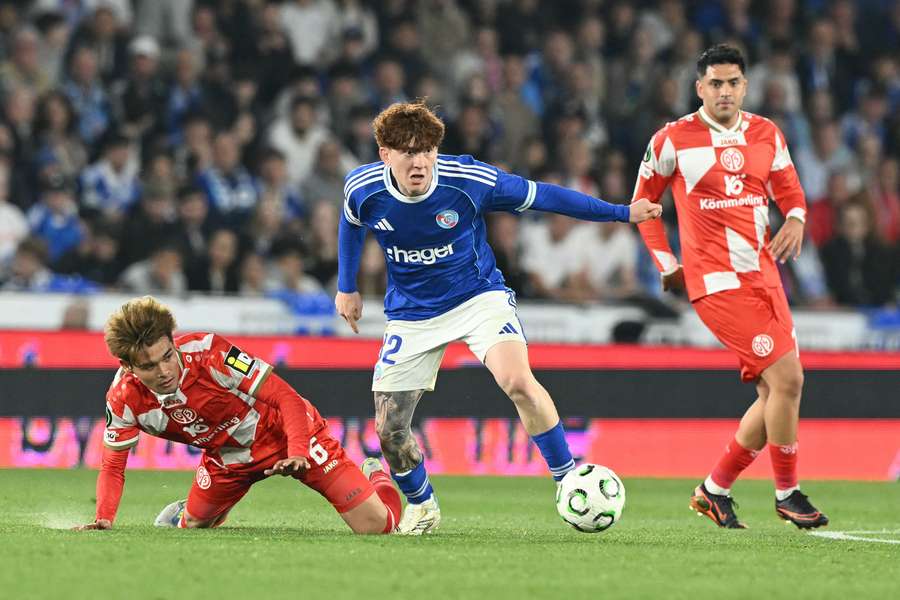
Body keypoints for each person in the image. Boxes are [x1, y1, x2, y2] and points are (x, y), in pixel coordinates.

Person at [335, 101, 661, 535]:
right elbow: (351, 223)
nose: (420, 161)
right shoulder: (362, 188)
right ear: (385, 155)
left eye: (427, 150)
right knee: (389, 430)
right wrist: (347, 286)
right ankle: (422, 503)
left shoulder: (469, 180)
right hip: (412, 314)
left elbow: (545, 195)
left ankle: (567, 479)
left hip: (478, 299)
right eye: (407, 152)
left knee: (517, 381)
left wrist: (621, 212)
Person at [633, 45, 828, 529]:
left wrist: (798, 218)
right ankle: (788, 494)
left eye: (733, 82)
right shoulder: (671, 140)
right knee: (788, 380)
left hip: (765, 277)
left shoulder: (767, 133)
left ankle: (714, 490)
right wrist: (666, 261)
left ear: (745, 85)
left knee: (774, 393)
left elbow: (790, 190)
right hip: (715, 282)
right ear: (699, 87)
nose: (724, 91)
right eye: (715, 83)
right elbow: (643, 204)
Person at [74, 296, 401, 534]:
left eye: (167, 356)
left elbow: (286, 398)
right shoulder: (123, 398)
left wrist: (298, 452)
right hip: (226, 456)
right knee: (192, 526)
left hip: (287, 433)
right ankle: (195, 511)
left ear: (173, 344)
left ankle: (376, 477)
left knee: (377, 527)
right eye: (148, 366)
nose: (163, 371)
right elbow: (113, 466)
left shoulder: (211, 353)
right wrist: (105, 517)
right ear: (127, 366)